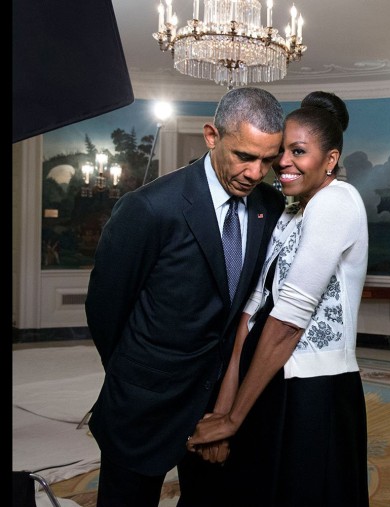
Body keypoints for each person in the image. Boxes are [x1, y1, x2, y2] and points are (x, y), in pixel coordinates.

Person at [84, 86, 286, 507]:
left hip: (218, 407)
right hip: (143, 405)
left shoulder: (270, 206)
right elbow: (106, 309)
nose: (255, 172)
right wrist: (138, 375)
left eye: (268, 160)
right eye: (244, 156)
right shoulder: (150, 208)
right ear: (212, 136)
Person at [186, 91, 370, 506]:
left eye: (299, 151)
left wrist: (233, 419)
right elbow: (249, 317)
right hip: (266, 376)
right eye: (282, 150)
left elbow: (289, 319)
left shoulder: (338, 201)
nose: (283, 161)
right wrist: (226, 409)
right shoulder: (290, 212)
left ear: (330, 159)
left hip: (313, 388)